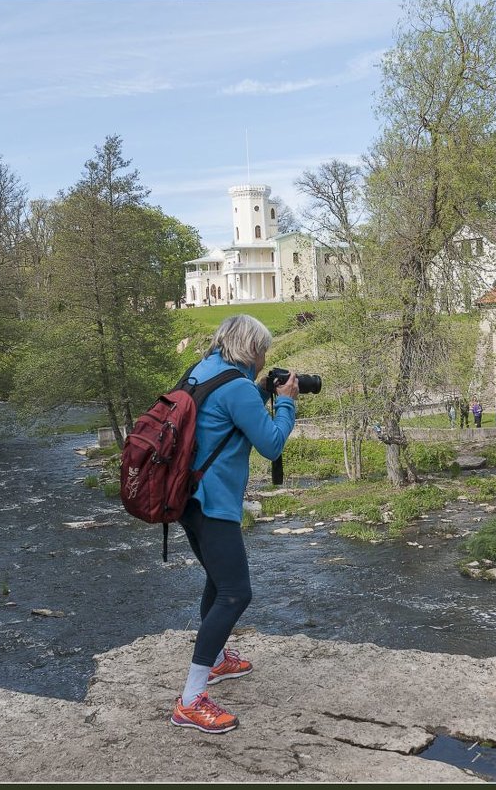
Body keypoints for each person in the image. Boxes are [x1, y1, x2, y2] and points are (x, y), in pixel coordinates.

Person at [170, 314, 299, 734]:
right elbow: (271, 443)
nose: (265, 359)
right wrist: (286, 401)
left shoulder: (201, 371)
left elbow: (222, 416)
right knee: (235, 593)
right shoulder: (239, 388)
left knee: (216, 581)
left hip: (186, 498)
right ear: (252, 349)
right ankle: (190, 701)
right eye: (263, 351)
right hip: (215, 503)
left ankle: (221, 659)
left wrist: (260, 391)